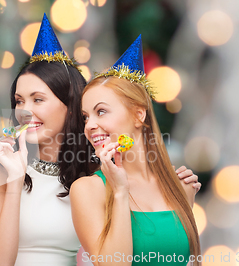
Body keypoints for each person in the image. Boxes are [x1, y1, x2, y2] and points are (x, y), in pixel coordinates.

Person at [0, 15, 199, 266]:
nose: (24, 111)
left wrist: (173, 185)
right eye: (19, 101)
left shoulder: (94, 172)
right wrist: (15, 180)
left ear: (70, 107)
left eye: (37, 99)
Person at [70, 35, 201, 266]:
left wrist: (185, 194)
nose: (89, 125)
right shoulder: (87, 189)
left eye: (101, 112)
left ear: (139, 115)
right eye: (85, 116)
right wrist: (120, 190)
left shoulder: (178, 185)